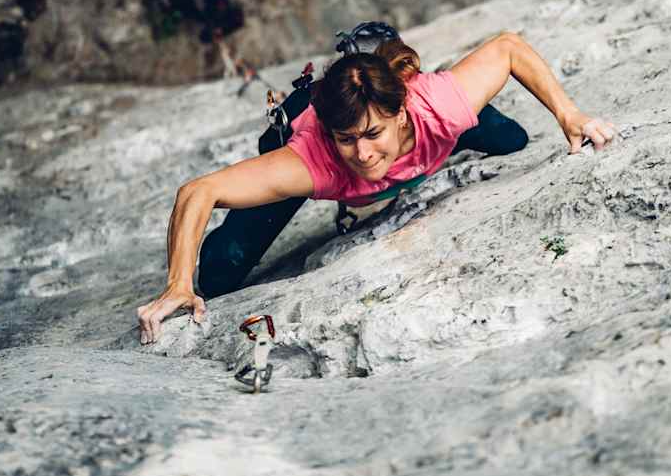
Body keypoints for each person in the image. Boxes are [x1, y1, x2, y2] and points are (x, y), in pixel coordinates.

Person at [136, 27, 617, 344]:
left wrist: (569, 114)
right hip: (314, 152)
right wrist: (178, 283)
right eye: (348, 139)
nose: (362, 154)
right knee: (220, 272)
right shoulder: (315, 159)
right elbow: (197, 191)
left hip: (436, 127)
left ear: (401, 112)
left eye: (372, 135)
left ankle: (470, 123)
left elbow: (509, 47)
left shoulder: (435, 104)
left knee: (511, 140)